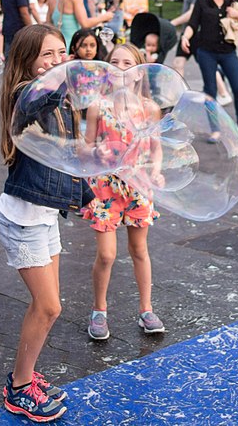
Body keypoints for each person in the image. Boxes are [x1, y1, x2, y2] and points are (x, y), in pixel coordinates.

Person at [0, 24, 94, 421]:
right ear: (28, 62)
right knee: (49, 307)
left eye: (61, 53)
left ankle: (25, 375)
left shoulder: (59, 100)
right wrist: (65, 74)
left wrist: (86, 198)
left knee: (48, 306)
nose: (57, 62)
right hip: (23, 221)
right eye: (48, 56)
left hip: (44, 217)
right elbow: (41, 97)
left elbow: (66, 157)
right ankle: (18, 387)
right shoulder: (27, 95)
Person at [84, 43, 165, 340]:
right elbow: (87, 147)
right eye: (114, 62)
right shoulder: (98, 107)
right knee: (106, 255)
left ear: (137, 73)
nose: (120, 67)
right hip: (106, 188)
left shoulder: (150, 109)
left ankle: (146, 309)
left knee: (139, 250)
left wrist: (156, 170)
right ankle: (99, 310)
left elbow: (156, 149)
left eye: (127, 63)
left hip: (139, 186)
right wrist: (93, 151)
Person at [181, 0, 238, 142]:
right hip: (206, 52)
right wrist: (185, 37)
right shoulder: (202, 1)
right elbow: (193, 24)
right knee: (210, 91)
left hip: (228, 53)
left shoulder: (233, 0)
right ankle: (215, 129)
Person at [171, 0, 232, 106]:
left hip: (196, 33)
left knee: (206, 65)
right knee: (178, 62)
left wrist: (172, 23)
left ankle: (223, 93)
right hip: (189, 33)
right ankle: (177, 96)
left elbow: (193, 13)